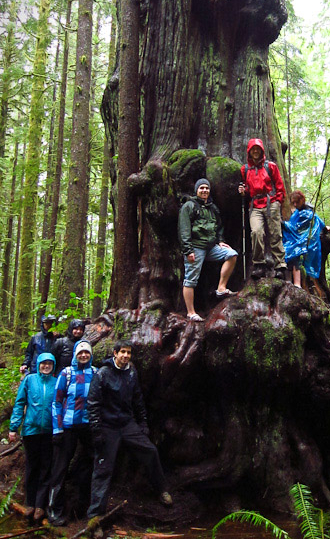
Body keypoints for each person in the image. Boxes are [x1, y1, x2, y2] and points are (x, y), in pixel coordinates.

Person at [87, 340, 172, 518]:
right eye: (123, 352)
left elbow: (137, 399)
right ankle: (95, 515)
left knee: (150, 451)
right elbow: (93, 404)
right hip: (108, 426)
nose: (126, 356)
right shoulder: (103, 374)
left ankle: (162, 490)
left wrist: (143, 423)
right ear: (115, 353)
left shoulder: (131, 373)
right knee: (103, 469)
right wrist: (96, 431)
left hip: (127, 424)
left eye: (128, 353)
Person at [47, 340, 97, 526]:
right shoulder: (66, 374)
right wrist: (57, 428)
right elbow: (57, 402)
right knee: (60, 467)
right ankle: (54, 509)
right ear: (75, 354)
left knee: (89, 465)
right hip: (68, 427)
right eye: (80, 353)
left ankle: (83, 507)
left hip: (88, 427)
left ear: (91, 355)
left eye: (86, 353)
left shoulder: (96, 373)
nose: (83, 355)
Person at [178, 178, 238, 322]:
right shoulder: (189, 206)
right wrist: (188, 250)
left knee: (232, 254)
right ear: (197, 190)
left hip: (211, 247)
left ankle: (221, 288)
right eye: (201, 188)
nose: (204, 190)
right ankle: (191, 312)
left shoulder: (212, 208)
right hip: (195, 248)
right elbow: (184, 229)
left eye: (206, 188)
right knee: (191, 279)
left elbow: (218, 226)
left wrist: (221, 241)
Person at [9, 353, 57, 522]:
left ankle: (39, 505)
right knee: (32, 466)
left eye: (49, 364)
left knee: (46, 467)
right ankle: (29, 502)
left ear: (53, 365)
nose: (46, 366)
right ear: (38, 364)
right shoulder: (29, 380)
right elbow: (20, 403)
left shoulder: (56, 382)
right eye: (43, 363)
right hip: (31, 431)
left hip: (49, 431)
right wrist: (14, 427)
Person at [238, 138, 286, 279]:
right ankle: (259, 264)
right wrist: (243, 191)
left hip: (271, 203)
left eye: (258, 149)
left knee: (275, 234)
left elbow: (279, 185)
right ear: (249, 151)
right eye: (253, 149)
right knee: (256, 232)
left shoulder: (270, 166)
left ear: (261, 150)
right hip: (254, 205)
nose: (255, 151)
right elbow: (247, 189)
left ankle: (280, 266)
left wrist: (277, 201)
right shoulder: (245, 169)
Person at [282, 190, 326, 287]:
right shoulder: (298, 212)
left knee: (296, 253)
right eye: (293, 202)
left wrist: (284, 224)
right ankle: (295, 282)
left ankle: (299, 283)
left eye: (296, 202)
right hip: (299, 240)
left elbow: (296, 227)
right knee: (291, 252)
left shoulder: (308, 213)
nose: (295, 204)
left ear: (302, 200)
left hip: (308, 242)